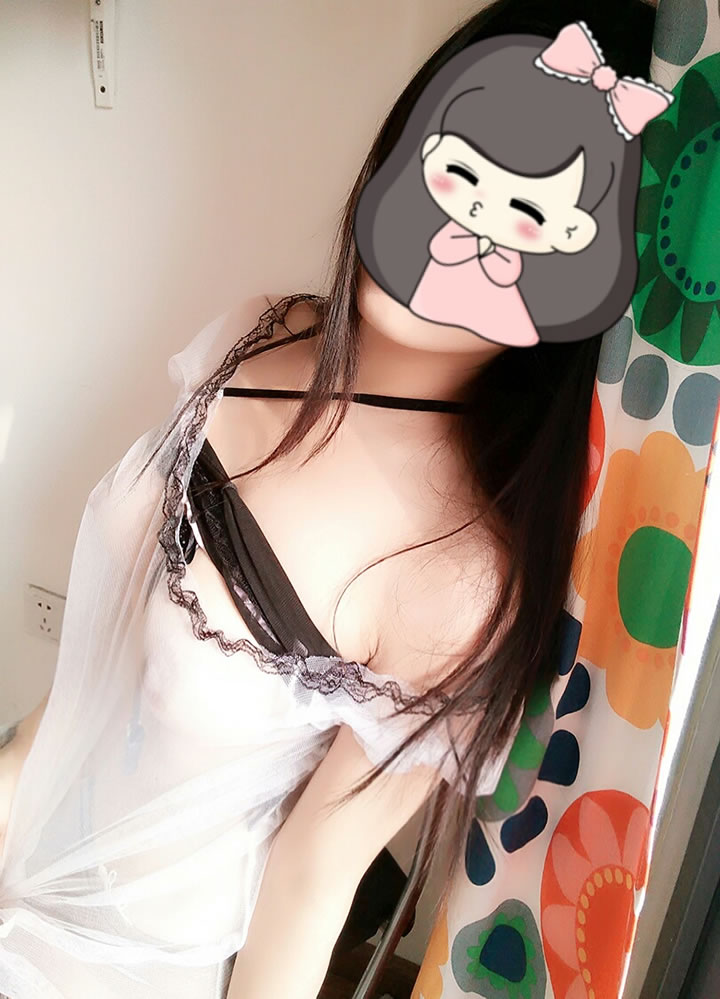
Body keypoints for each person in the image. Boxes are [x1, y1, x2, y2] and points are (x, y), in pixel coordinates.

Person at [0, 0, 659, 996]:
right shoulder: (259, 334)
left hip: (115, 968)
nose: (459, 228)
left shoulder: (458, 581)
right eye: (456, 168)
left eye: (526, 216)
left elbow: (312, 882)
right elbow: (90, 681)